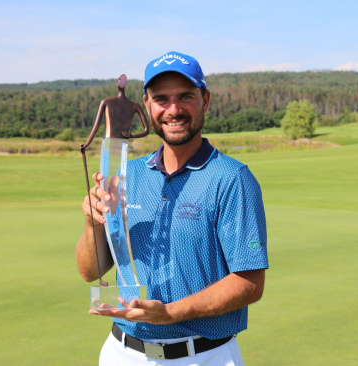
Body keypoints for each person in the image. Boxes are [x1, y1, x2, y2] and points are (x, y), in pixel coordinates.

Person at [76, 51, 268, 366]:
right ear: (147, 106)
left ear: (205, 100)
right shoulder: (126, 174)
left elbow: (250, 284)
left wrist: (169, 313)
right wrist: (92, 222)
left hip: (204, 357)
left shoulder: (233, 178)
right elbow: (90, 271)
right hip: (121, 354)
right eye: (161, 99)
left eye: (186, 97)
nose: (173, 110)